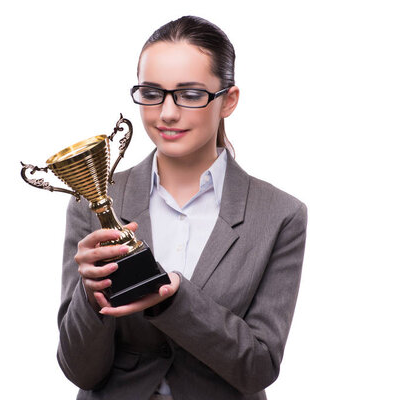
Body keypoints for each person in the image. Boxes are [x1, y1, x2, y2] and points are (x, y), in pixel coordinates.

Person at [57, 15, 307, 400]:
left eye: (190, 94)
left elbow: (258, 367)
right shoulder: (93, 202)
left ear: (229, 100)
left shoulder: (279, 215)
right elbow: (80, 370)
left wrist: (174, 300)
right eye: (152, 93)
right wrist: (90, 299)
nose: (167, 113)